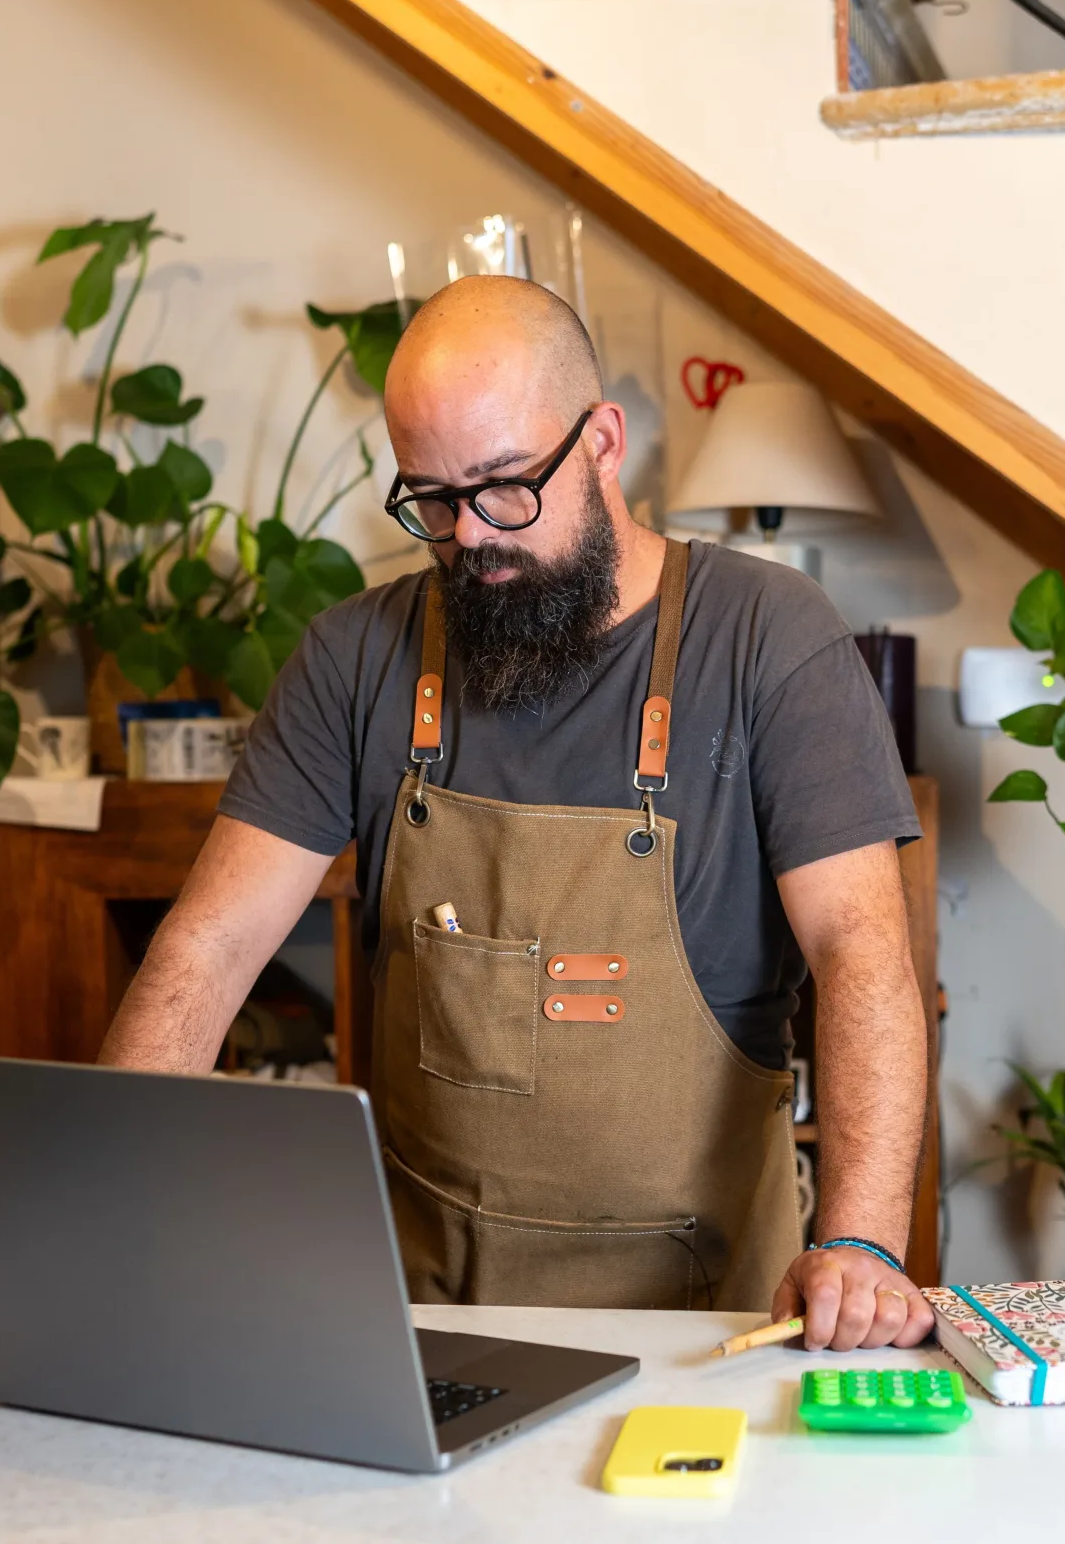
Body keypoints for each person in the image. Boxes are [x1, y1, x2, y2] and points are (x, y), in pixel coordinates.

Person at [99, 276, 932, 1351]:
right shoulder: (356, 656)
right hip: (421, 1322)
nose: (472, 538)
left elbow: (860, 951)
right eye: (432, 500)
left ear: (602, 443)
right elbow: (208, 946)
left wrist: (861, 1245)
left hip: (709, 1328)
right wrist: (115, 1203)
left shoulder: (769, 637)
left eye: (503, 487)